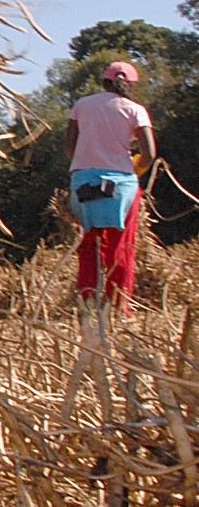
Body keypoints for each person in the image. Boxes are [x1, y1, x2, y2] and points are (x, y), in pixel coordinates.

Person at [65, 60, 156, 319]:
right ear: (131, 85)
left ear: (105, 82)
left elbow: (69, 146)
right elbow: (149, 154)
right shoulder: (135, 110)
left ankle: (88, 305)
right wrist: (135, 168)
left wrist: (86, 162)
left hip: (83, 182)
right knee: (121, 247)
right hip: (121, 185)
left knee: (89, 245)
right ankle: (119, 307)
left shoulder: (82, 105)